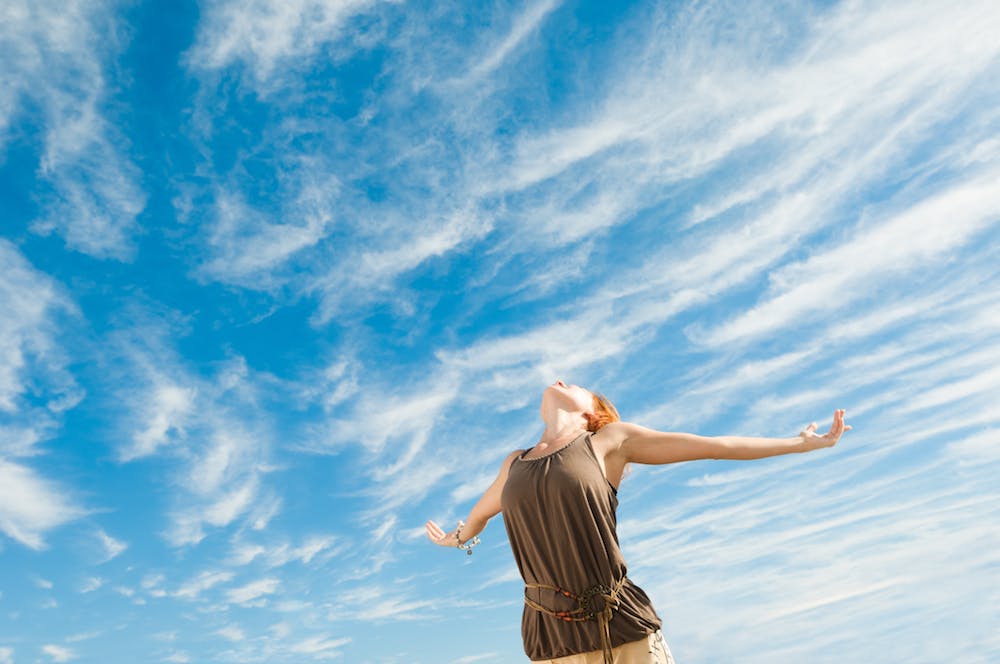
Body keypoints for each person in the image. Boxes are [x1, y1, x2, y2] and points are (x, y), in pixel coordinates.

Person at [426, 380, 851, 663]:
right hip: (552, 635)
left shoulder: (609, 440)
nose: (560, 381)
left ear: (593, 412)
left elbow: (716, 446)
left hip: (623, 624)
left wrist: (800, 444)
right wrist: (454, 538)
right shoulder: (513, 465)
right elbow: (478, 517)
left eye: (575, 384)